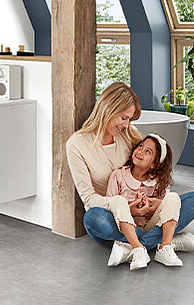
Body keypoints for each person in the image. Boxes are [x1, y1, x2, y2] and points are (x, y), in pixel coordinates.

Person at [66, 82, 194, 266]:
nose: (126, 125)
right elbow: (88, 197)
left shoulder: (127, 134)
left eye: (129, 120)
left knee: (188, 200)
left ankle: (135, 246)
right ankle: (166, 241)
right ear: (109, 110)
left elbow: (157, 166)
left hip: (146, 215)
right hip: (111, 215)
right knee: (93, 219)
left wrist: (157, 202)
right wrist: (127, 208)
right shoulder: (77, 144)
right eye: (124, 118)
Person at [105, 133, 181, 270]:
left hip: (150, 225)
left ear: (154, 164)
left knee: (174, 198)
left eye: (148, 151)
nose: (140, 151)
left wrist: (151, 205)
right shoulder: (118, 175)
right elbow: (109, 207)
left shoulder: (158, 182)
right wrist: (131, 209)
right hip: (125, 227)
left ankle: (165, 247)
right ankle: (138, 248)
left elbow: (166, 209)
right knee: (117, 200)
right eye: (141, 146)